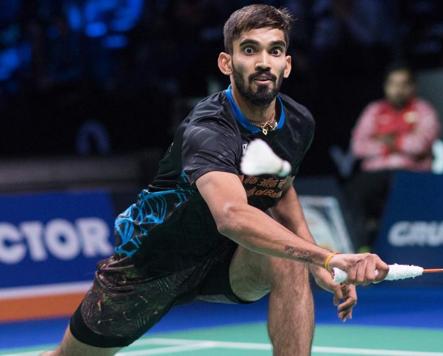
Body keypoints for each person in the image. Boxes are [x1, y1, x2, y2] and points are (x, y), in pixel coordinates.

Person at [44, 5, 389, 356]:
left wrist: (317, 261)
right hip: (153, 264)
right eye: (250, 50)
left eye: (275, 50)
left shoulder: (298, 123)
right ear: (227, 63)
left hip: (223, 259)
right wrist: (328, 258)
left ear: (287, 64)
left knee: (289, 256)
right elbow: (232, 216)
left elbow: (279, 189)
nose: (264, 62)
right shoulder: (209, 129)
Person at [348, 64, 439, 249]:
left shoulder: (423, 110)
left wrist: (389, 141)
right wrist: (398, 143)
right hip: (375, 175)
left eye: (404, 84)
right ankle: (361, 245)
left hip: (411, 175)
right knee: (354, 191)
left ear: (413, 87)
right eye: (393, 84)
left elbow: (421, 144)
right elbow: (358, 146)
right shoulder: (374, 110)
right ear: (386, 86)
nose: (398, 89)